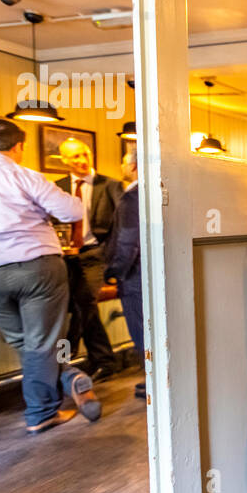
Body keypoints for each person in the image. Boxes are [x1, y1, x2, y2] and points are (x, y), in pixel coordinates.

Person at [0, 119, 102, 434]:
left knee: (24, 342)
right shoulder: (24, 176)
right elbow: (73, 212)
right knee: (41, 343)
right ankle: (41, 412)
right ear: (18, 146)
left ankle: (68, 378)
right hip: (37, 270)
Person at [55, 138, 124, 381]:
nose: (82, 160)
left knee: (83, 302)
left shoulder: (111, 186)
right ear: (64, 160)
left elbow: (123, 226)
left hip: (97, 254)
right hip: (67, 258)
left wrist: (114, 258)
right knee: (78, 305)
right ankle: (104, 361)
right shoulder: (58, 187)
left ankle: (63, 358)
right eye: (75, 157)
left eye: (85, 154)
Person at [106, 150, 145, 400]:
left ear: (133, 166)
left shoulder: (133, 197)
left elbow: (129, 243)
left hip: (136, 276)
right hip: (158, 273)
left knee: (141, 329)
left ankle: (153, 380)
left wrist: (114, 271)